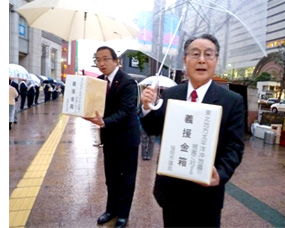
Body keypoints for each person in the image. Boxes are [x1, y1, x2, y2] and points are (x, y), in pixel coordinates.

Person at [140, 34, 244, 227]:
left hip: (207, 195)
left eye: (209, 54)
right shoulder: (171, 94)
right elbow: (153, 127)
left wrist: (220, 174)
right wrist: (147, 107)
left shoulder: (232, 100)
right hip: (171, 192)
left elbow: (234, 146)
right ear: (185, 60)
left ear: (216, 60)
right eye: (195, 54)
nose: (202, 60)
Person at [83, 46, 140, 228]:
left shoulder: (128, 82)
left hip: (127, 140)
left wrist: (104, 122)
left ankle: (123, 214)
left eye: (106, 59)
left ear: (116, 61)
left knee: (126, 179)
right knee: (111, 177)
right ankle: (111, 210)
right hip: (109, 139)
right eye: (98, 59)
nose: (101, 63)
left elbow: (126, 111)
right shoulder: (99, 82)